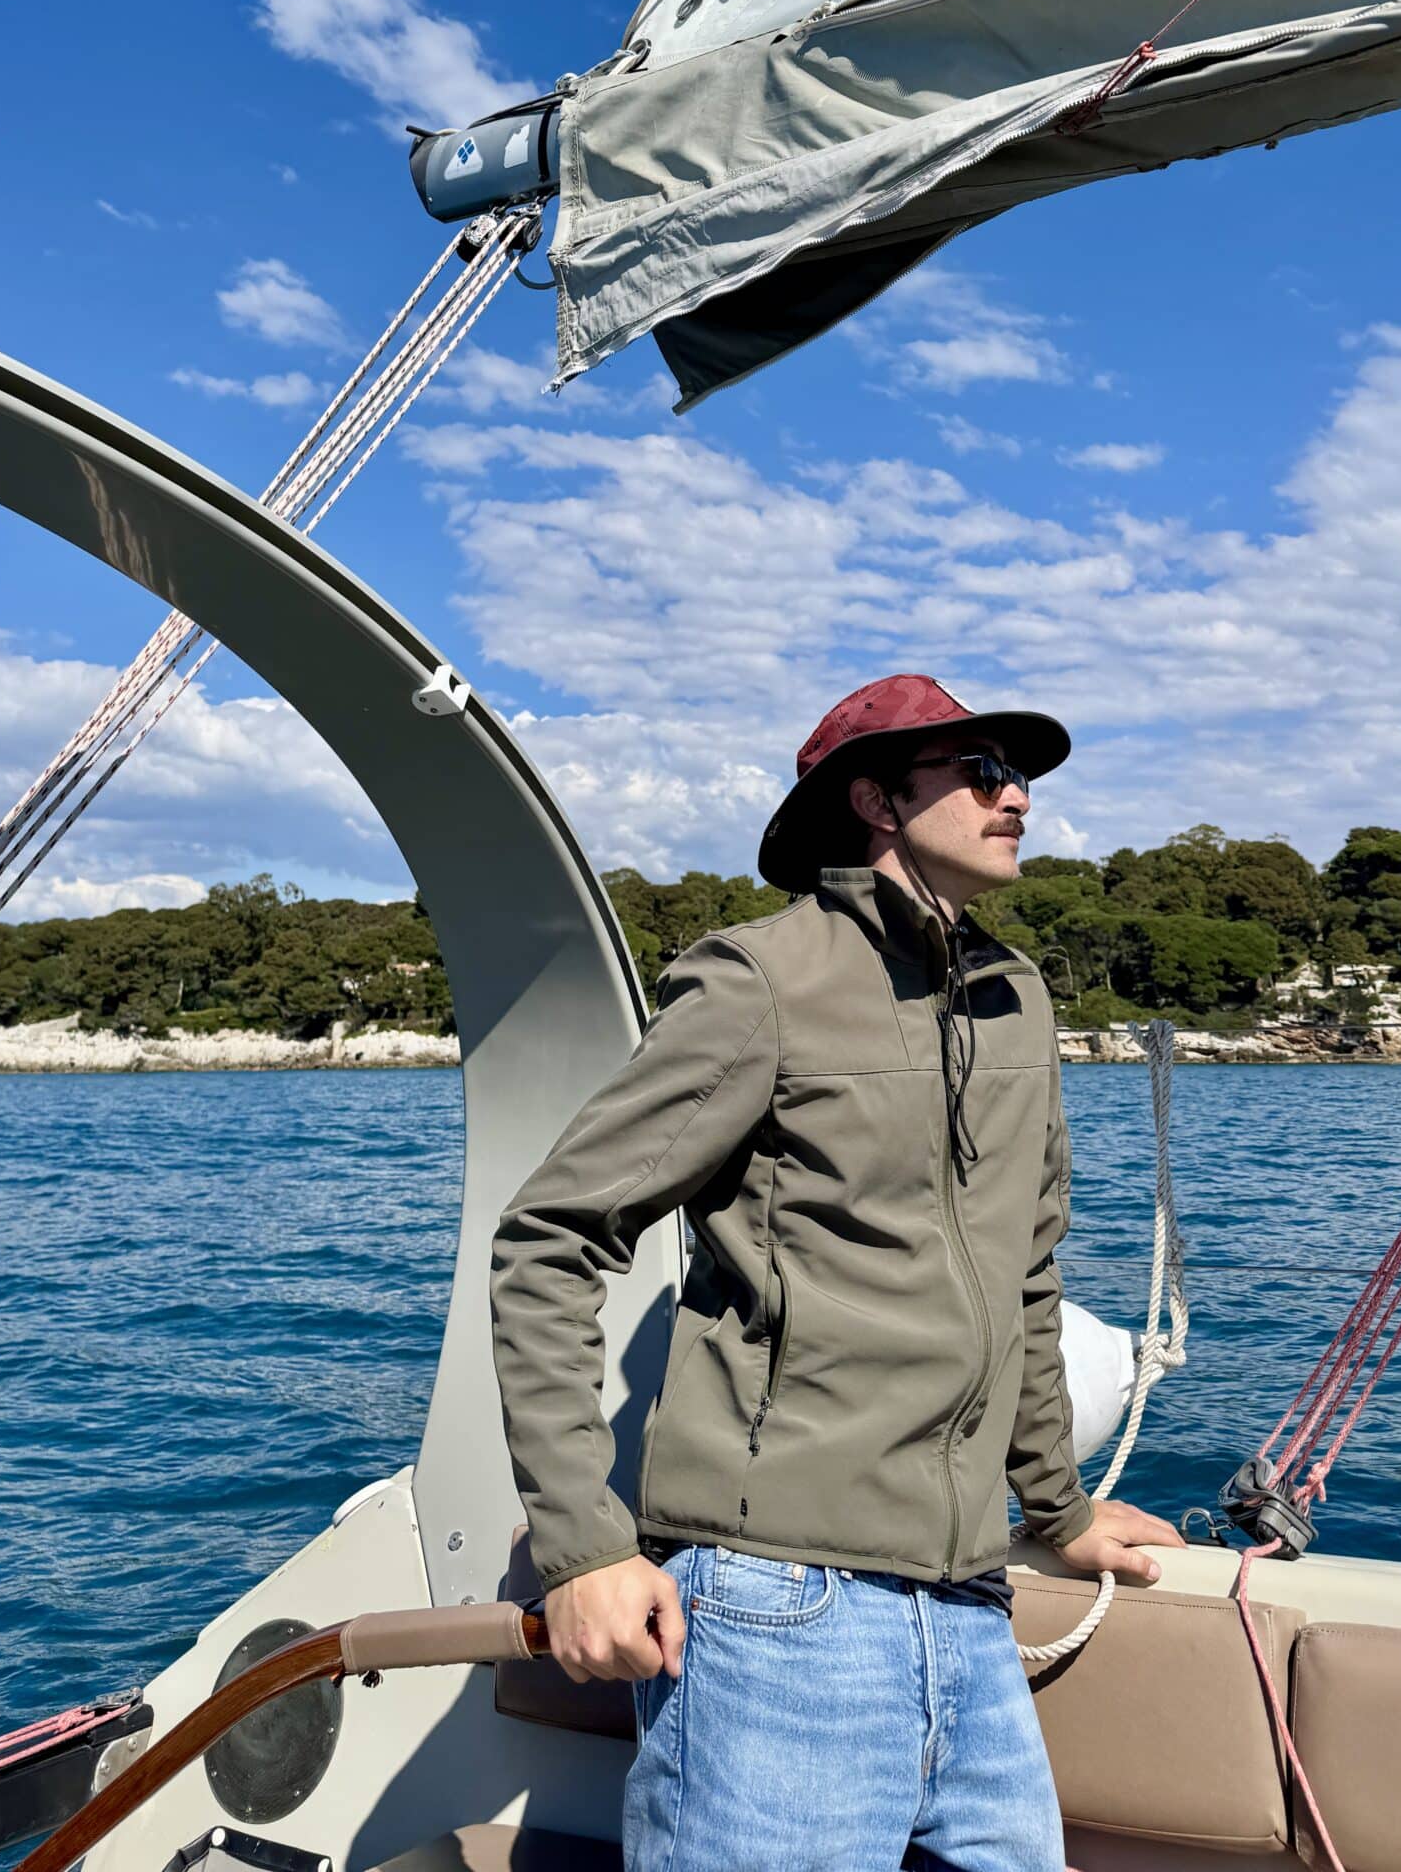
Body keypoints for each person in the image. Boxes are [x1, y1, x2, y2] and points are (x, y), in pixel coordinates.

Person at [490, 674, 1178, 1871]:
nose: (1016, 794)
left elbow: (1026, 1278)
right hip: (775, 1610)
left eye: (1018, 774)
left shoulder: (1017, 998)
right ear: (874, 797)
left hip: (968, 1610)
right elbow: (553, 1236)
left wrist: (1057, 1510)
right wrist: (587, 1549)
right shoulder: (763, 981)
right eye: (979, 770)